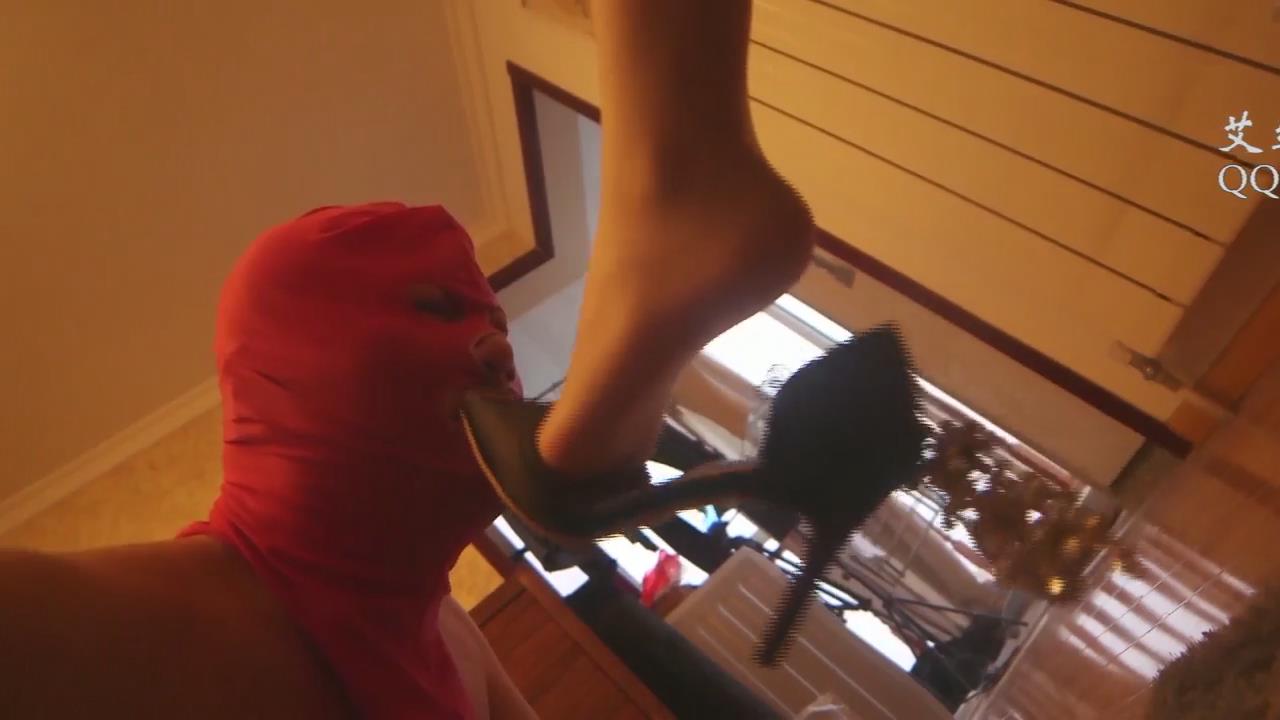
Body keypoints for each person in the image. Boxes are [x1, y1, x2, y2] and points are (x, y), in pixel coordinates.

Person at [0, 1, 814, 717]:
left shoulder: (449, 632)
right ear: (282, 374)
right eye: (432, 307)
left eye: (492, 317)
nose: (499, 347)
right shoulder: (114, 619)